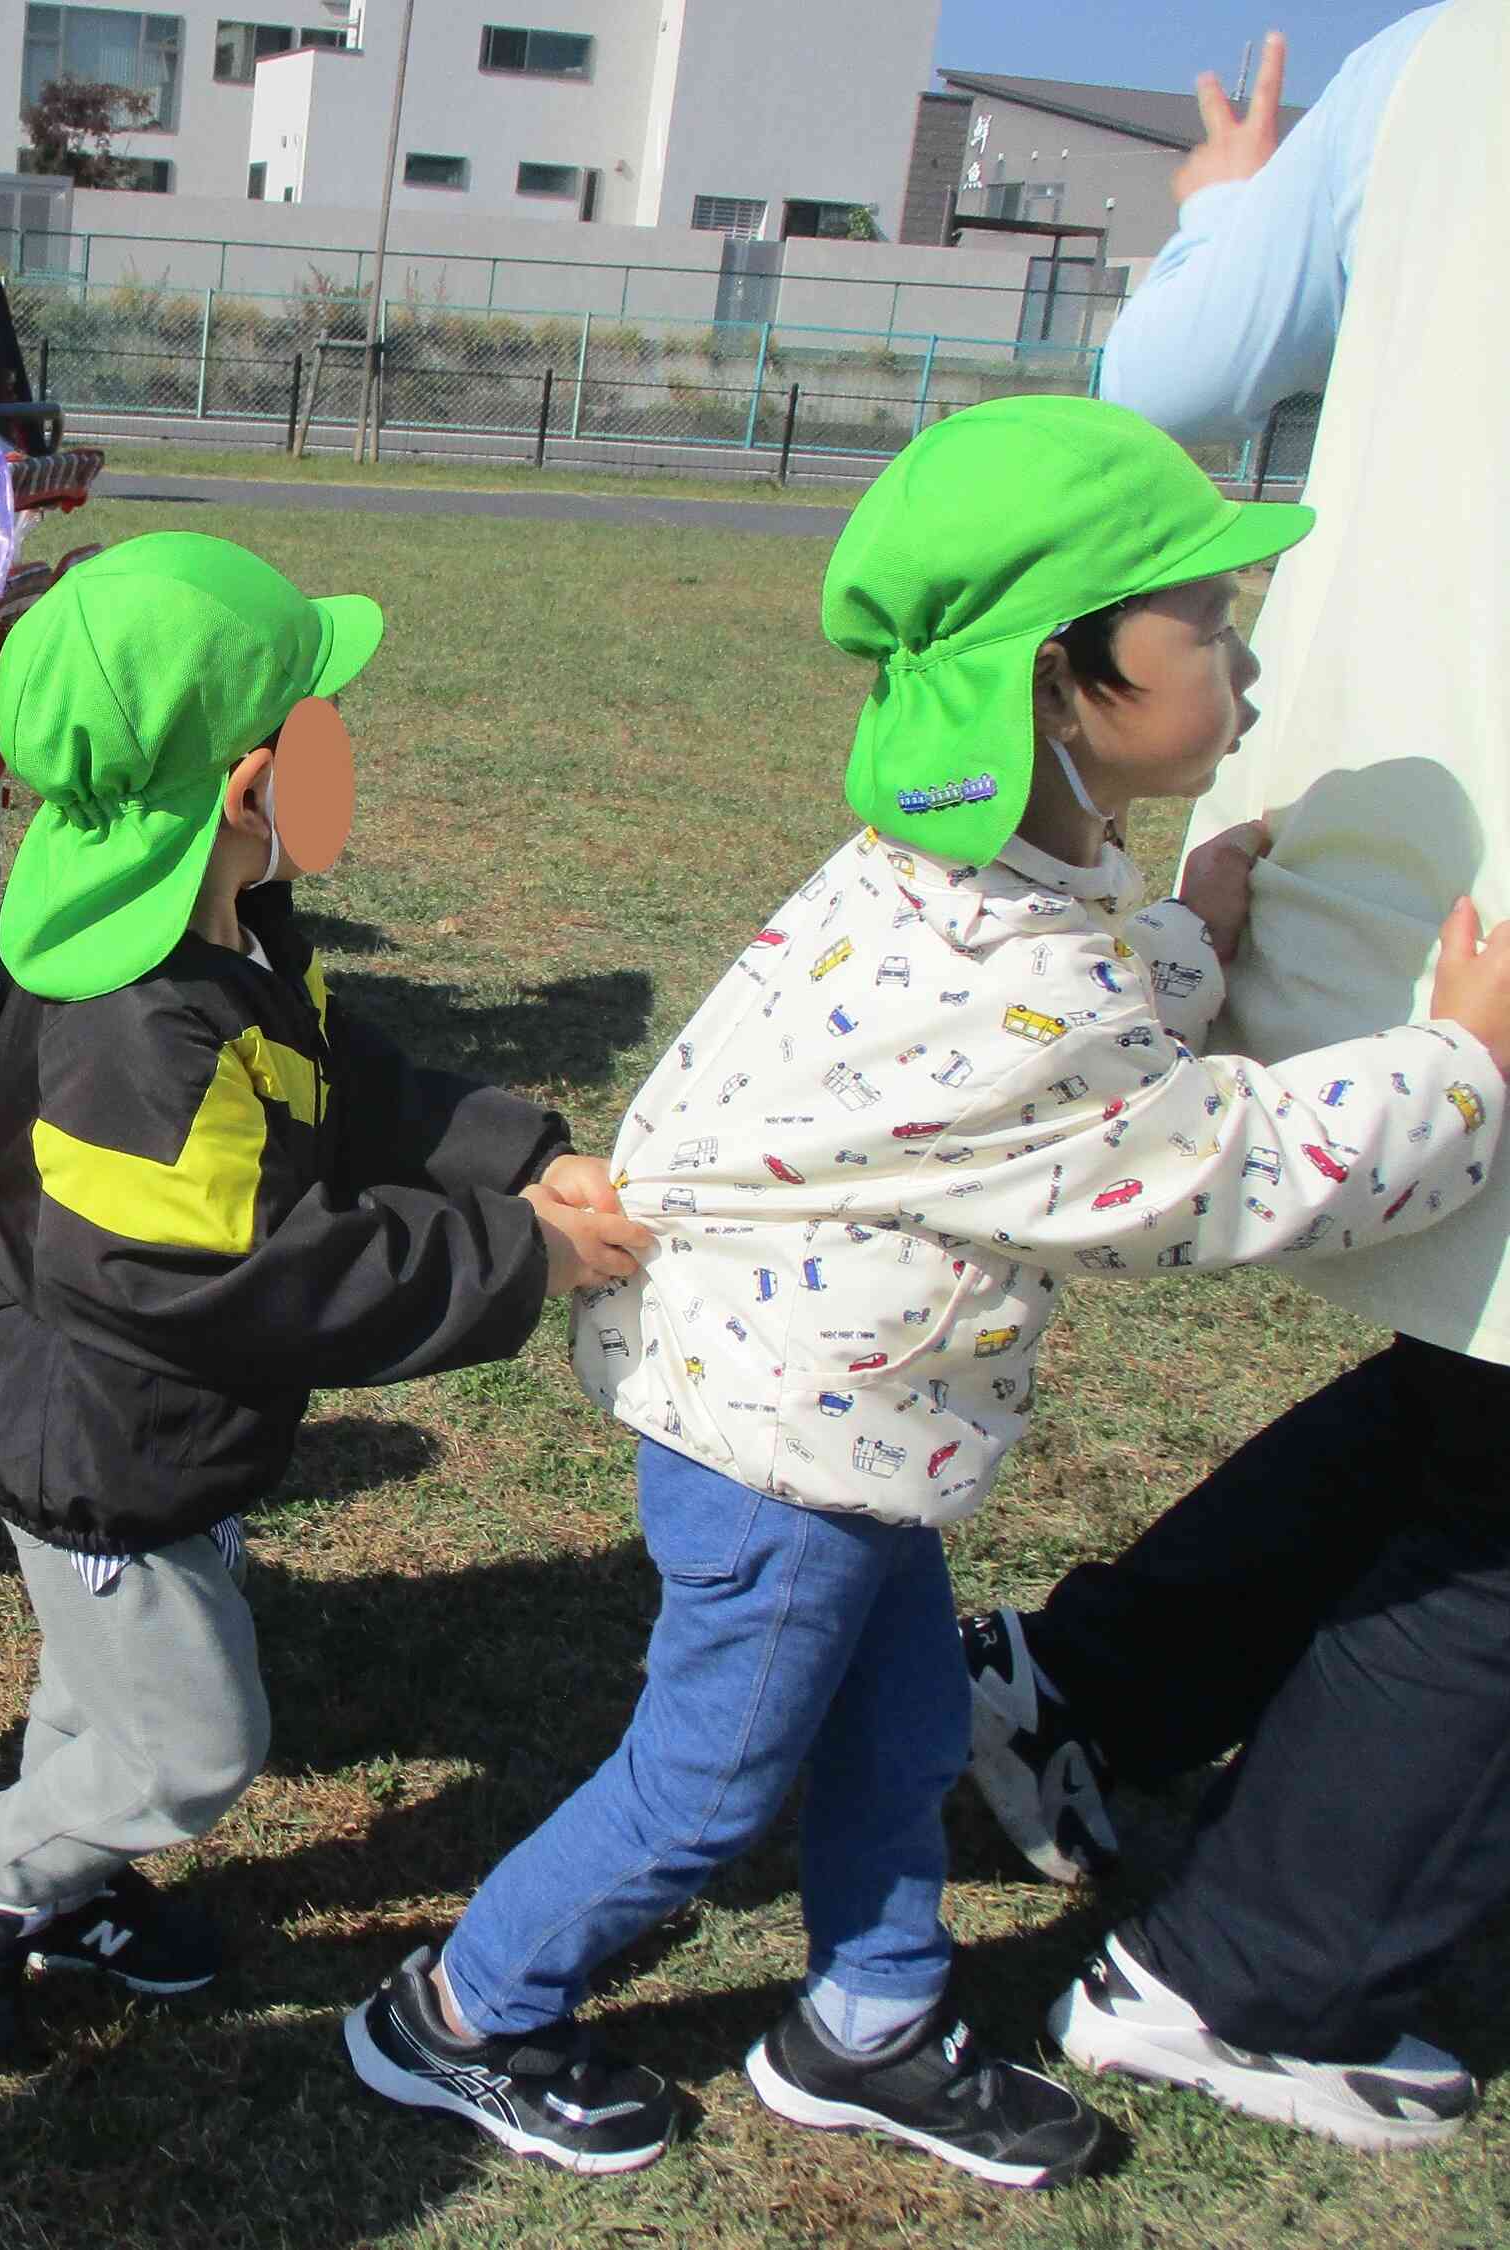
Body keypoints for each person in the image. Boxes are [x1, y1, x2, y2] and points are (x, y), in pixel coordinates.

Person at [345, 395, 1510, 2186]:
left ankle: (868, 2020)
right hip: (779, 1451)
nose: (1250, 657)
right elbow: (1216, 1167)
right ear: (1066, 681)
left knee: (898, 1737)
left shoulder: (979, 886)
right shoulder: (991, 970)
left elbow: (1080, 1004)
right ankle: (460, 2012)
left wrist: (1189, 921)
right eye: (1212, 620)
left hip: (852, 1424)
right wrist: (1465, 1070)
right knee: (709, 1787)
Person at [962, 3, 1510, 2155]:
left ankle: (1091, 1686)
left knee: (1467, 1398)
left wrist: (1233, 222)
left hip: (1372, 823)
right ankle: (1248, 1976)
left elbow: (1166, 377)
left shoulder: (1443, 59)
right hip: (1445, 931)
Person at [0, 533, 647, 2071]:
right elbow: (261, 1272)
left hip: (152, 1421)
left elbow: (333, 1081)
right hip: (101, 1441)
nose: (341, 747)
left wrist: (521, 1159)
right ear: (247, 785)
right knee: (192, 1746)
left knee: (109, 1698)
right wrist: (524, 1262)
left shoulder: (204, 922)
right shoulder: (138, 1035)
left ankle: (58, 1868)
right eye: (319, 719)